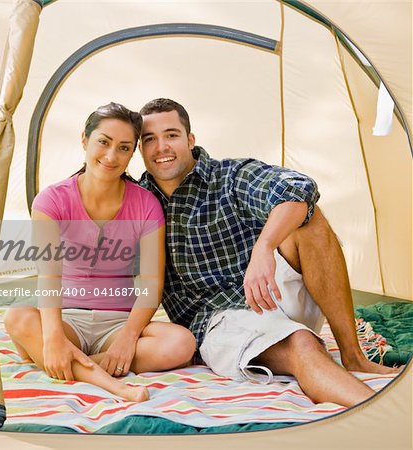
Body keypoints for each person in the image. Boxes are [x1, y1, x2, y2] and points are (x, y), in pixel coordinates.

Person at [138, 98, 399, 407]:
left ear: (190, 139)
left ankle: (353, 355)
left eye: (171, 135)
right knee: (301, 344)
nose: (161, 147)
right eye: (149, 139)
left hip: (267, 288)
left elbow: (299, 186)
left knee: (310, 219)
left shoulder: (230, 175)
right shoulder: (138, 201)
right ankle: (384, 417)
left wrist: (264, 246)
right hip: (217, 320)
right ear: (140, 148)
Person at [4, 102, 196, 403]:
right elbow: (49, 277)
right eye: (103, 142)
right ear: (85, 139)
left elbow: (151, 285)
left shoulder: (146, 204)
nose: (110, 156)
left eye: (123, 148)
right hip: (66, 319)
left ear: (132, 153)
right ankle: (113, 385)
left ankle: (67, 361)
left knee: (181, 343)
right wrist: (54, 336)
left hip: (118, 322)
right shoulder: (51, 201)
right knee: (17, 317)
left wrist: (127, 339)